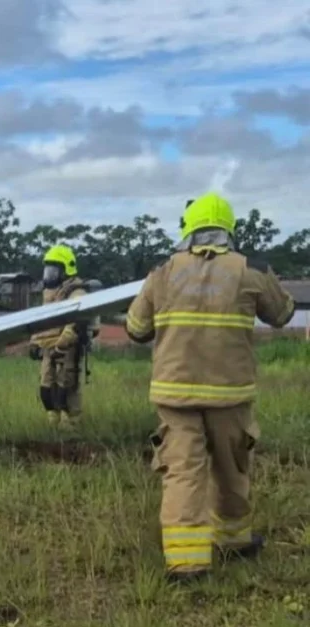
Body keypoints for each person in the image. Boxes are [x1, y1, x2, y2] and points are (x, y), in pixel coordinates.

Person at [124, 192, 296, 583]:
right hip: (229, 392)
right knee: (232, 466)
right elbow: (283, 314)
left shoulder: (162, 271)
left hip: (176, 394)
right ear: (228, 230)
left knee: (183, 471)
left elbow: (135, 330)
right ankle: (233, 542)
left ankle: (187, 563)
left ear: (188, 229)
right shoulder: (250, 269)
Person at [28, 245, 96, 432]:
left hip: (67, 351)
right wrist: (34, 342)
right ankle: (53, 427)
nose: (49, 275)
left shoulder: (76, 293)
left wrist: (61, 345)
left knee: (67, 390)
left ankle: (73, 427)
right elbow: (41, 321)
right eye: (47, 270)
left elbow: (76, 324)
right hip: (48, 350)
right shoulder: (50, 294)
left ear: (66, 270)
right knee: (46, 390)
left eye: (53, 270)